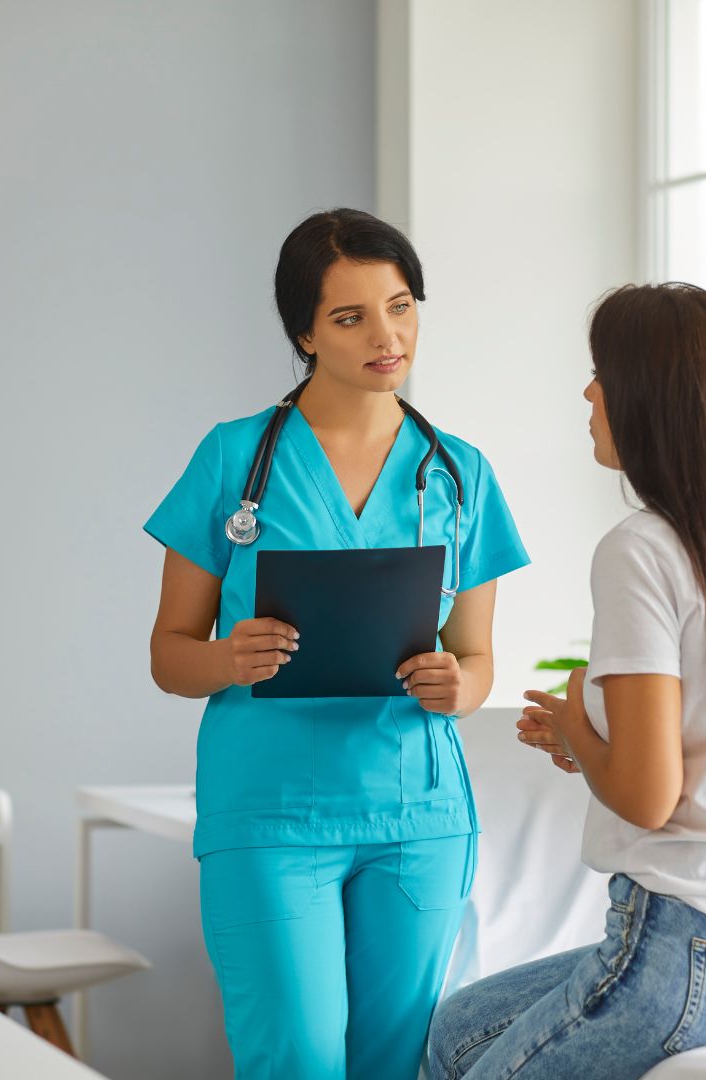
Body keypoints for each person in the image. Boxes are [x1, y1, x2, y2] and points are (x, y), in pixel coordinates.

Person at [427, 282, 706, 1079]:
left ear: (654, 400)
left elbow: (645, 797)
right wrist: (600, 742)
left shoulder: (641, 549)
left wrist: (576, 731)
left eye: (603, 372)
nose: (589, 392)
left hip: (699, 953)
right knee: (457, 1030)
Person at [144, 208, 529, 1080]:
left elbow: (478, 661)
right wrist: (227, 658)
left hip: (418, 816)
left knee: (395, 1064)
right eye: (351, 317)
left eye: (401, 306)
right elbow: (170, 653)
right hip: (272, 816)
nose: (386, 336)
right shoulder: (233, 458)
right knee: (298, 1060)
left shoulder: (459, 470)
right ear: (304, 332)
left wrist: (454, 686)